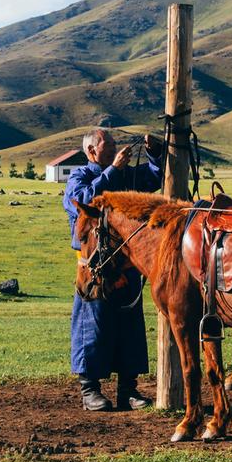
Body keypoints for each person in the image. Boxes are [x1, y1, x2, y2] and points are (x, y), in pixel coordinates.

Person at [62, 127, 162, 411]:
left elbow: (153, 176)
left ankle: (128, 390)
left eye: (116, 144)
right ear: (92, 151)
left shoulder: (127, 174)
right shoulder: (81, 176)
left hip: (126, 261)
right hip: (95, 264)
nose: (116, 149)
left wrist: (154, 152)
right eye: (109, 145)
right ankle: (89, 389)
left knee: (129, 325)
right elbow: (84, 201)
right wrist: (113, 171)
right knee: (92, 324)